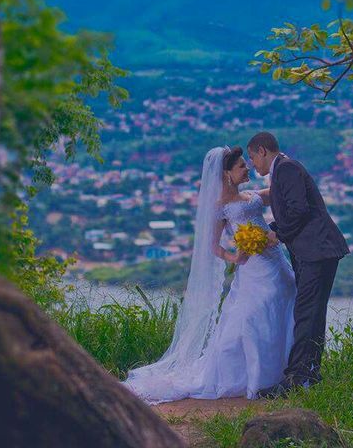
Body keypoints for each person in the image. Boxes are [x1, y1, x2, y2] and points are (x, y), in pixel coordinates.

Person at [122, 146, 296, 403]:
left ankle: (287, 371)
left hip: (275, 260)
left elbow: (278, 192)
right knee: (253, 315)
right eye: (240, 166)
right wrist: (234, 257)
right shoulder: (221, 208)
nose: (246, 168)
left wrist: (285, 169)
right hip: (252, 269)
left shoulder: (252, 195)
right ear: (226, 174)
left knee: (287, 296)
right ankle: (258, 377)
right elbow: (212, 246)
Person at [247, 132, 350, 398]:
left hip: (317, 251)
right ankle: (309, 374)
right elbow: (289, 206)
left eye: (252, 157)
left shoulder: (286, 168)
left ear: (262, 150)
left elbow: (298, 210)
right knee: (311, 313)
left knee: (306, 313)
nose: (252, 164)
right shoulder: (282, 170)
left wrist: (276, 232)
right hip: (313, 252)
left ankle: (295, 379)